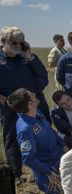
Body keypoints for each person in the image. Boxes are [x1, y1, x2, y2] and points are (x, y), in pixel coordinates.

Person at [0, 26, 50, 179]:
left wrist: (29, 57)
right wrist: (2, 99)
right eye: (14, 43)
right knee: (12, 138)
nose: (18, 46)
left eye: (21, 43)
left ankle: (44, 167)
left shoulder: (26, 58)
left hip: (33, 105)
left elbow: (43, 77)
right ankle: (15, 174)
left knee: (41, 134)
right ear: (3, 41)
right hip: (10, 107)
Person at [7, 88, 63, 194]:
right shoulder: (25, 129)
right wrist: (49, 173)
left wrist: (63, 144)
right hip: (48, 169)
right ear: (30, 103)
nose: (33, 93)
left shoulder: (36, 112)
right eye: (31, 94)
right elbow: (28, 158)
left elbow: (50, 130)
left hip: (60, 155)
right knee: (64, 191)